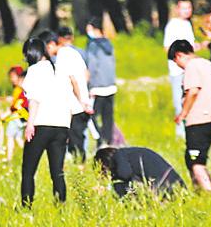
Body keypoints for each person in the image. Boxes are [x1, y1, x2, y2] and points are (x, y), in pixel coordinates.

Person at [168, 38, 211, 191]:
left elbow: (193, 91)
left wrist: (183, 113)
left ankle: (208, 193)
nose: (178, 66)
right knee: (193, 158)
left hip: (198, 118)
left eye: (176, 61)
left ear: (179, 55)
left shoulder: (192, 66)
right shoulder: (210, 65)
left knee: (196, 161)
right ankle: (199, 191)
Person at [20, 31, 69, 205]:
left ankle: (26, 207)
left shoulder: (34, 71)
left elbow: (34, 99)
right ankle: (61, 206)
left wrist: (30, 124)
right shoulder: (58, 70)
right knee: (57, 171)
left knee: (28, 171)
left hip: (41, 124)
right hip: (62, 125)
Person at [55, 26, 93, 162]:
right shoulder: (78, 53)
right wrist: (85, 96)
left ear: (58, 39)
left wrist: (80, 99)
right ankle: (81, 161)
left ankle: (80, 163)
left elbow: (73, 81)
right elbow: (87, 74)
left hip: (74, 103)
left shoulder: (62, 55)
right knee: (80, 135)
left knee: (74, 136)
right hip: (84, 101)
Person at [93, 146, 185, 198]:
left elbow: (125, 174)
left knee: (119, 188)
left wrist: (108, 187)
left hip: (164, 187)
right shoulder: (130, 154)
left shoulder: (119, 154)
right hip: (177, 186)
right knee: (130, 186)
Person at [162, 0, 197, 124]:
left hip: (190, 68)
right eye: (184, 8)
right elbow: (167, 47)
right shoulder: (173, 25)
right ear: (177, 9)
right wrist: (178, 59)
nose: (187, 11)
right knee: (179, 100)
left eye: (189, 8)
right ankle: (180, 130)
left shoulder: (188, 24)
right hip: (178, 70)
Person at [83, 18, 117, 147]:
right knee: (108, 116)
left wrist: (90, 85)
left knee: (92, 116)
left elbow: (92, 66)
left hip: (97, 86)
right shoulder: (109, 44)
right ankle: (108, 141)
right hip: (111, 85)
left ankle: (99, 139)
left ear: (94, 29)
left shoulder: (93, 45)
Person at [3, 65, 29, 163]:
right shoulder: (21, 91)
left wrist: (4, 116)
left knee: (9, 136)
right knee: (18, 138)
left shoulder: (20, 91)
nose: (11, 79)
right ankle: (27, 155)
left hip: (18, 118)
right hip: (23, 118)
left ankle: (9, 158)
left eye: (13, 76)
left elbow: (14, 107)